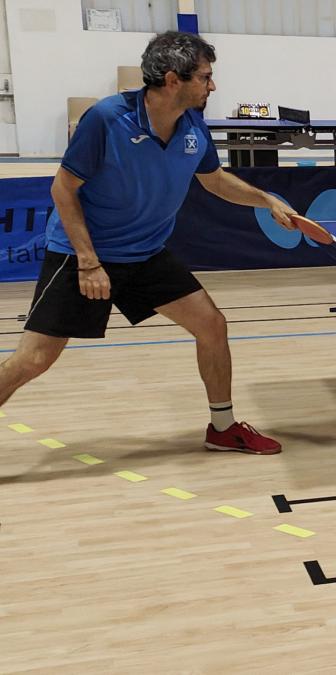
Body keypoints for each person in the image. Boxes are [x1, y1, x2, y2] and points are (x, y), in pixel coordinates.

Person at [0, 31, 299, 454]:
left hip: (145, 254)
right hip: (84, 256)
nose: (212, 86)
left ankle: (223, 428)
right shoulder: (107, 119)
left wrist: (265, 199)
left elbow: (214, 180)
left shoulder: (192, 124)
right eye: (205, 77)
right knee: (34, 359)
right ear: (173, 79)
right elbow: (62, 189)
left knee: (212, 326)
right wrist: (88, 261)